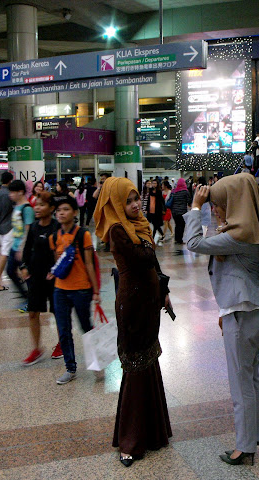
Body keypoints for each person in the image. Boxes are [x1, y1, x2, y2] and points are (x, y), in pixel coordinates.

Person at [184, 173, 259, 466]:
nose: (217, 209)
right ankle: (254, 435)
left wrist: (196, 207)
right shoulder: (253, 225)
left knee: (240, 380)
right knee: (251, 375)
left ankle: (244, 446)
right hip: (249, 308)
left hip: (241, 311)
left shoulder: (238, 235)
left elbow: (194, 242)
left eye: (219, 204)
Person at [94, 177, 173, 467]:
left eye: (136, 198)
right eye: (128, 201)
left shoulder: (139, 227)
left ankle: (153, 432)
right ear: (115, 203)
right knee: (136, 366)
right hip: (133, 305)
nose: (135, 204)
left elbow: (153, 264)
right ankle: (130, 440)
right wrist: (150, 243)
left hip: (150, 301)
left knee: (148, 361)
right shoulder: (117, 230)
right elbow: (144, 257)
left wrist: (164, 294)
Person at [48, 195, 100, 385]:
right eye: (59, 210)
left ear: (75, 212)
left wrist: (95, 291)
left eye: (66, 209)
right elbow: (58, 263)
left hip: (81, 289)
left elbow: (89, 263)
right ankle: (70, 368)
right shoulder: (54, 237)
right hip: (60, 290)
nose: (61, 213)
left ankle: (96, 361)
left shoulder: (83, 235)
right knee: (63, 330)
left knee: (86, 327)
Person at [20, 191, 61, 366]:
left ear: (51, 208)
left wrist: (57, 270)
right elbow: (27, 249)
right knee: (33, 313)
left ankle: (62, 343)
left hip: (54, 278)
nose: (37, 208)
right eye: (36, 204)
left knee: (58, 312)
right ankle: (36, 348)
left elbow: (64, 252)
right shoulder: (35, 227)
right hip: (36, 277)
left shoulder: (57, 227)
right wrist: (24, 266)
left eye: (42, 205)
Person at [7, 180, 36, 312]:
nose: (10, 195)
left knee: (27, 275)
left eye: (13, 192)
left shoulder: (27, 208)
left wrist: (22, 249)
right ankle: (27, 297)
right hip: (15, 246)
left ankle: (31, 301)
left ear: (20, 192)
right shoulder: (16, 207)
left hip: (22, 248)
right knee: (10, 271)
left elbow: (28, 230)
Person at [170, 178, 191, 244]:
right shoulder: (185, 191)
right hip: (182, 211)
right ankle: (180, 239)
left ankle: (176, 239)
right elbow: (189, 201)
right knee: (182, 225)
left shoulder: (174, 191)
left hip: (174, 211)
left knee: (177, 225)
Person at [147, 180, 165, 245]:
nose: (154, 184)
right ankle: (161, 234)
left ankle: (153, 237)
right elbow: (149, 201)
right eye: (153, 183)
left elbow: (162, 201)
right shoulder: (150, 192)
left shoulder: (159, 192)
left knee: (155, 224)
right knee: (155, 224)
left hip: (157, 211)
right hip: (151, 210)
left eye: (155, 183)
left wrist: (164, 209)